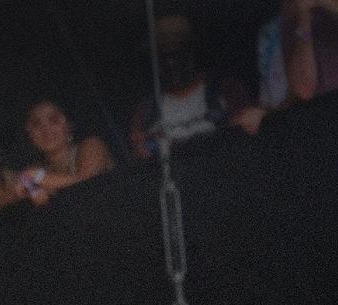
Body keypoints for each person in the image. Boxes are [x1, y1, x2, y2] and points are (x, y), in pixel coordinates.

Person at [130, 14, 265, 151]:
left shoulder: (226, 90)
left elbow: (247, 138)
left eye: (177, 53)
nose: (171, 63)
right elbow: (141, 155)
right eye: (164, 56)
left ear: (191, 52)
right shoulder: (146, 111)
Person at [15, 98, 115, 207]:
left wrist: (39, 177)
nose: (45, 129)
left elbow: (88, 184)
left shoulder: (92, 146)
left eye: (54, 120)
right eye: (36, 124)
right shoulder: (37, 169)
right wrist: (33, 190)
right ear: (29, 134)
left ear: (69, 124)